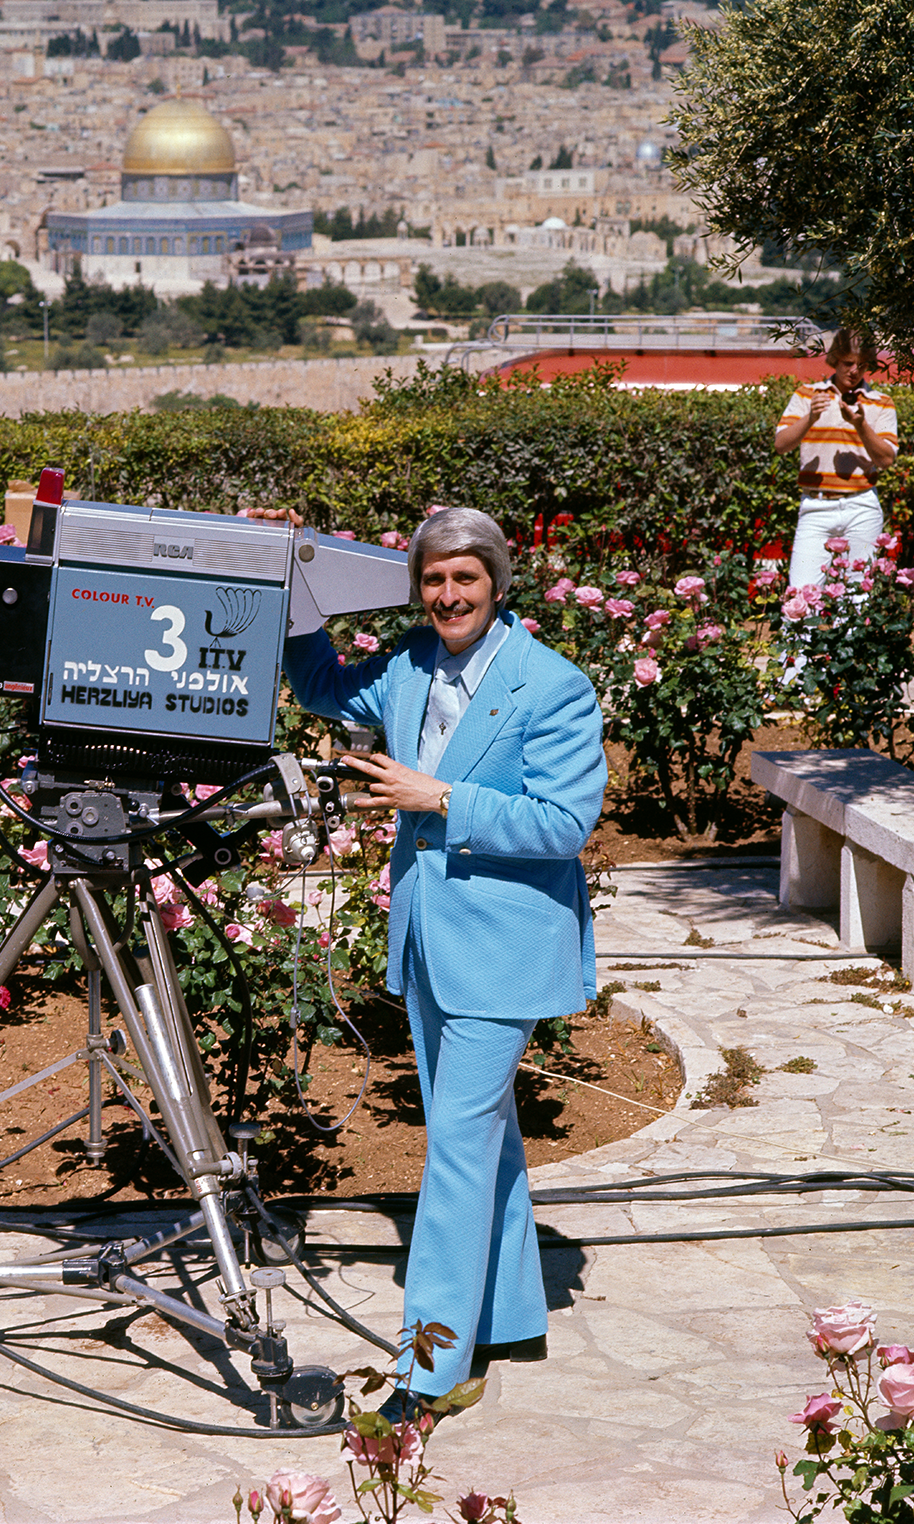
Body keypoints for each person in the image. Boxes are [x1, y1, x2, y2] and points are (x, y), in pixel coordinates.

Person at [267, 505, 606, 1414]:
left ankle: (429, 1367)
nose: (449, 594)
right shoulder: (411, 666)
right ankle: (511, 1316)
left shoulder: (553, 685)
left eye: (466, 578)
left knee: (455, 1146)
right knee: (481, 1137)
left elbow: (567, 825)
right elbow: (322, 686)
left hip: (506, 945)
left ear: (498, 581)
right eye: (433, 579)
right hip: (428, 936)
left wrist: (439, 795)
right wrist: (292, 574)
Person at [774, 327, 899, 589]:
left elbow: (886, 460)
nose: (854, 371)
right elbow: (781, 445)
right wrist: (810, 418)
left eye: (862, 365)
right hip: (816, 506)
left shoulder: (881, 402)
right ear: (834, 360)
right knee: (801, 594)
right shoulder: (807, 395)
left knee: (858, 599)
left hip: (861, 506)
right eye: (848, 363)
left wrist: (861, 425)